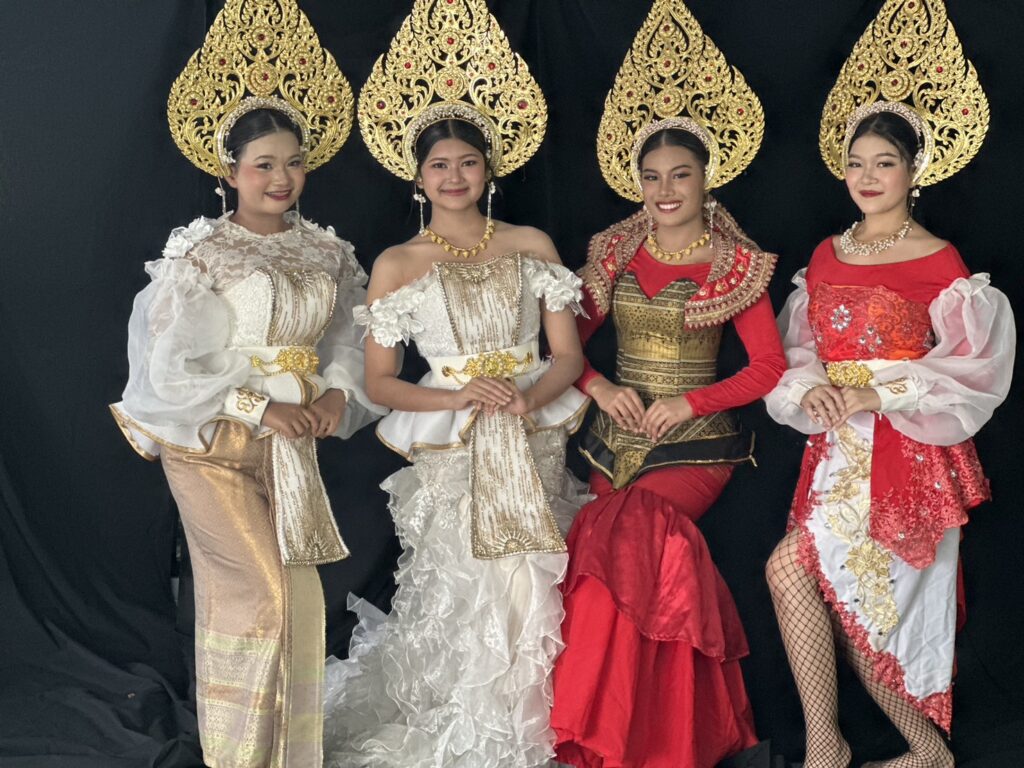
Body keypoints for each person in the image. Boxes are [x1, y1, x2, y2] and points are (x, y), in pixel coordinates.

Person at [109, 3, 383, 764]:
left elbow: (352, 341)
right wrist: (256, 404)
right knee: (256, 596)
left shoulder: (328, 254)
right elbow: (166, 369)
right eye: (263, 164)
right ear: (228, 173)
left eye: (293, 162)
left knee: (297, 599)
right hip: (210, 446)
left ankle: (289, 753)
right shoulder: (202, 254)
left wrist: (338, 393)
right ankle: (237, 757)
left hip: (291, 448)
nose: (282, 177)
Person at [321, 2, 589, 765]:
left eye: (467, 162)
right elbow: (380, 382)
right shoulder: (398, 264)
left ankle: (537, 727)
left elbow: (566, 357)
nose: (454, 176)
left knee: (532, 579)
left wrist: (526, 400)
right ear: (418, 177)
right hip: (453, 442)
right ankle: (472, 727)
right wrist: (458, 397)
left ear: (488, 170)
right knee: (464, 582)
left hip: (531, 432)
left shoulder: (530, 244)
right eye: (439, 165)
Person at [763, 3, 1014, 766]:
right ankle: (885, 750)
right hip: (836, 452)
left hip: (903, 452)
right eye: (857, 163)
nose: (868, 177)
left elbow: (975, 371)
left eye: (885, 163)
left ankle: (848, 749)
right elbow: (798, 351)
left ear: (913, 171)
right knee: (835, 596)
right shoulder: (825, 254)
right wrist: (811, 388)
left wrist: (877, 394)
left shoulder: (940, 260)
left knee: (828, 587)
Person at [550, 2, 784, 766]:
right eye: (651, 177)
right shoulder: (614, 250)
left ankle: (627, 736)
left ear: (707, 179)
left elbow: (769, 368)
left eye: (679, 174)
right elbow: (564, 347)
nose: (664, 189)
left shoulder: (734, 261)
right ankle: (620, 736)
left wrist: (688, 401)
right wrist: (596, 387)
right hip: (613, 433)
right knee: (609, 553)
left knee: (630, 533)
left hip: (697, 441)